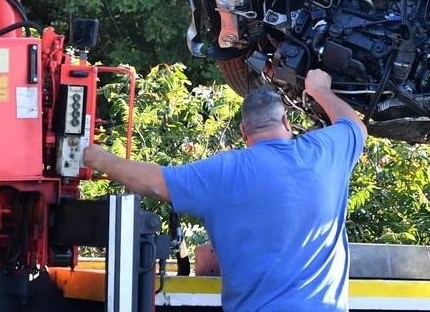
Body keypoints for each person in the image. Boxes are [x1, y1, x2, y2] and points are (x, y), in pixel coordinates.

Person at [82, 68, 366, 312]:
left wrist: (100, 158)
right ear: (285, 122)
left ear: (243, 131)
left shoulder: (225, 172)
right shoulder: (324, 153)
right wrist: (319, 90)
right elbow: (355, 127)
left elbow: (154, 183)